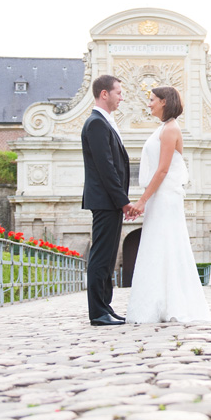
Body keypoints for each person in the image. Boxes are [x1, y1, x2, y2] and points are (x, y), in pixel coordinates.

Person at [125, 86, 211, 323]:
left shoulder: (170, 129)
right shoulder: (164, 128)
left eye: (152, 100)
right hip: (159, 198)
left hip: (164, 198)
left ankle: (170, 304)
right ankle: (159, 302)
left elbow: (163, 169)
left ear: (164, 101)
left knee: (164, 245)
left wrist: (142, 201)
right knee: (157, 247)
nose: (148, 103)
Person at [80, 75, 136, 326]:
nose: (122, 97)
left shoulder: (104, 122)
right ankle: (97, 312)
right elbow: (107, 168)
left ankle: (105, 306)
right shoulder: (96, 124)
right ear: (105, 94)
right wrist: (123, 201)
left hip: (108, 201)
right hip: (104, 200)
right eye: (119, 93)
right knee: (101, 257)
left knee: (108, 256)